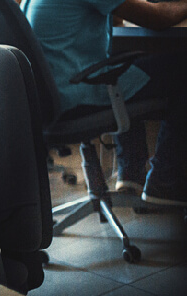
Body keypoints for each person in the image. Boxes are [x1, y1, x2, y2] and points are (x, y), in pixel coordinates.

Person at [22, 0, 187, 206]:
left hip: (53, 96)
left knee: (121, 64)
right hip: (76, 94)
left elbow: (119, 12)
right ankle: (166, 180)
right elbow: (159, 18)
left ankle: (131, 173)